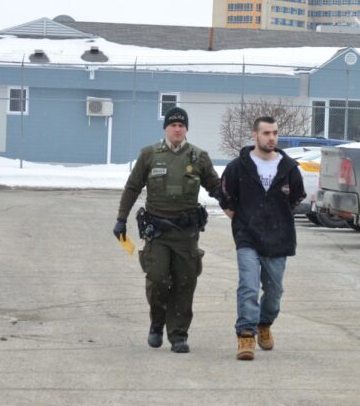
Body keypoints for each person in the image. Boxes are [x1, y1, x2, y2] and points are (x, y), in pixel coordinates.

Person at [113, 107, 221, 353]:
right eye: (173, 124)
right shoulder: (150, 155)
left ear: (186, 129)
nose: (177, 129)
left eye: (181, 125)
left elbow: (216, 187)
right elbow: (132, 187)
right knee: (158, 279)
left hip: (186, 234)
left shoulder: (198, 157)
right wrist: (121, 218)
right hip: (158, 232)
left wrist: (234, 204)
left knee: (185, 283)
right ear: (165, 128)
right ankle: (157, 323)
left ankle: (178, 335)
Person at [219, 116, 306, 361]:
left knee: (274, 291)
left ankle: (264, 324)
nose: (271, 138)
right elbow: (224, 193)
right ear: (255, 135)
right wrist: (239, 218)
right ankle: (246, 335)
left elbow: (296, 197)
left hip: (279, 237)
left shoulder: (289, 168)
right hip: (247, 236)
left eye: (275, 133)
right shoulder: (239, 166)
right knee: (248, 285)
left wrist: (277, 215)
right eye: (266, 133)